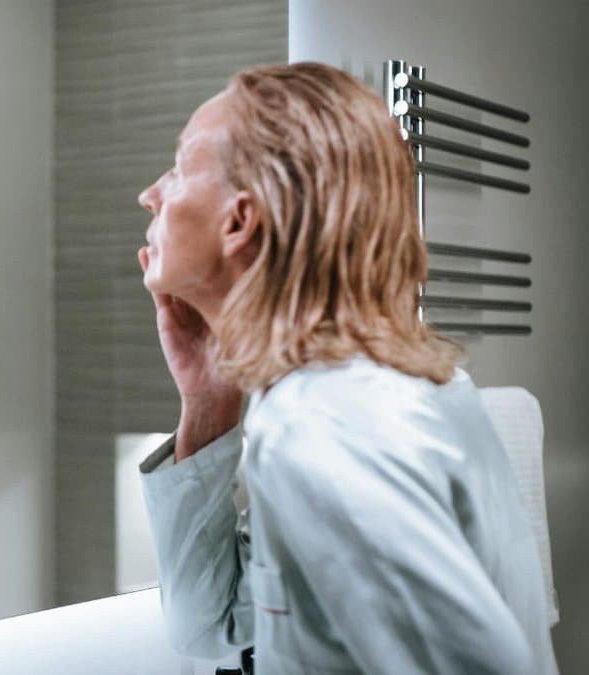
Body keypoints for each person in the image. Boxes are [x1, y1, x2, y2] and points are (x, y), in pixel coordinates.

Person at [136, 62, 558, 674]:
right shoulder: (357, 395)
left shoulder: (324, 426)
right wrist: (207, 399)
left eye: (178, 167)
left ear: (238, 221)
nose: (151, 194)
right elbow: (215, 623)